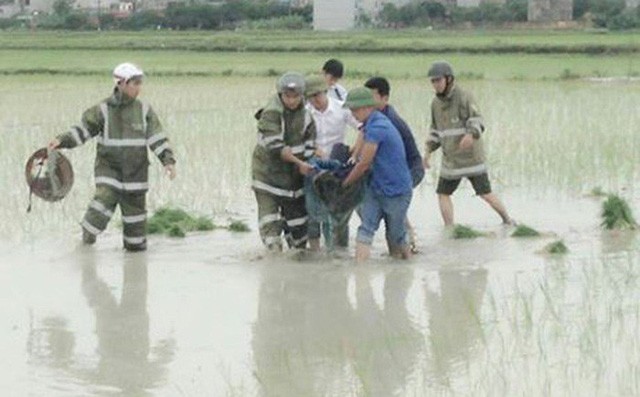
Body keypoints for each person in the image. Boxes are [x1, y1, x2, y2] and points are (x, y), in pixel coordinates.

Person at [48, 62, 176, 251]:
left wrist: (168, 161)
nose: (139, 87)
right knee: (102, 202)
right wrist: (62, 140)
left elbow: (157, 137)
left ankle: (135, 265)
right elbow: (83, 130)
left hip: (136, 176)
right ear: (121, 83)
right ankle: (85, 244)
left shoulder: (144, 110)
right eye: (135, 83)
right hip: (109, 170)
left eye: (140, 82)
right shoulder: (102, 110)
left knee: (136, 234)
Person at [424, 61, 513, 226]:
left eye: (438, 80)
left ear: (449, 79)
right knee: (443, 193)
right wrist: (428, 151)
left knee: (485, 193)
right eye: (433, 81)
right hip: (451, 159)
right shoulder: (435, 104)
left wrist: (471, 134)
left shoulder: (464, 97)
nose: (435, 84)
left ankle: (507, 219)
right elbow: (435, 131)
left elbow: (477, 120)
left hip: (471, 158)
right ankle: (449, 228)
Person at [342, 87, 413, 263]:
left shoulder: (379, 127)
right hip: (376, 188)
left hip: (397, 191)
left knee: (396, 234)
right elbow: (358, 152)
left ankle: (408, 266)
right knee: (366, 227)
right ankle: (360, 273)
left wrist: (344, 184)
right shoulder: (370, 124)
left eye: (354, 110)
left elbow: (364, 163)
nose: (353, 114)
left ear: (367, 107)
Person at [252, 72, 316, 252]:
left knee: (299, 231)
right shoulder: (271, 113)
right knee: (270, 227)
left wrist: (311, 164)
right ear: (281, 95)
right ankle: (273, 263)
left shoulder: (307, 117)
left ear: (302, 96)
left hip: (293, 181)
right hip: (267, 178)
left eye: (296, 96)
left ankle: (296, 263)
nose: (292, 100)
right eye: (287, 96)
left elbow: (310, 146)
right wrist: (300, 163)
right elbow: (278, 148)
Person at [364, 76, 424, 252]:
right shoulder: (374, 118)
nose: (367, 102)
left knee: (394, 206)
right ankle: (402, 249)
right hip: (395, 170)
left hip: (410, 169)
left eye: (372, 97)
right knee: (392, 207)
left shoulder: (389, 121)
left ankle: (407, 245)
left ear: (385, 98)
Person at [304, 75, 359, 251]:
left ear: (325, 92)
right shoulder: (305, 113)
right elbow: (298, 139)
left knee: (336, 211)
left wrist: (355, 151)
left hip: (335, 168)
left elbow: (364, 127)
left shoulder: (342, 109)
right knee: (312, 211)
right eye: (311, 97)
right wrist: (312, 150)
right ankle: (315, 251)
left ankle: (337, 250)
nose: (315, 100)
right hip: (314, 167)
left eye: (317, 95)